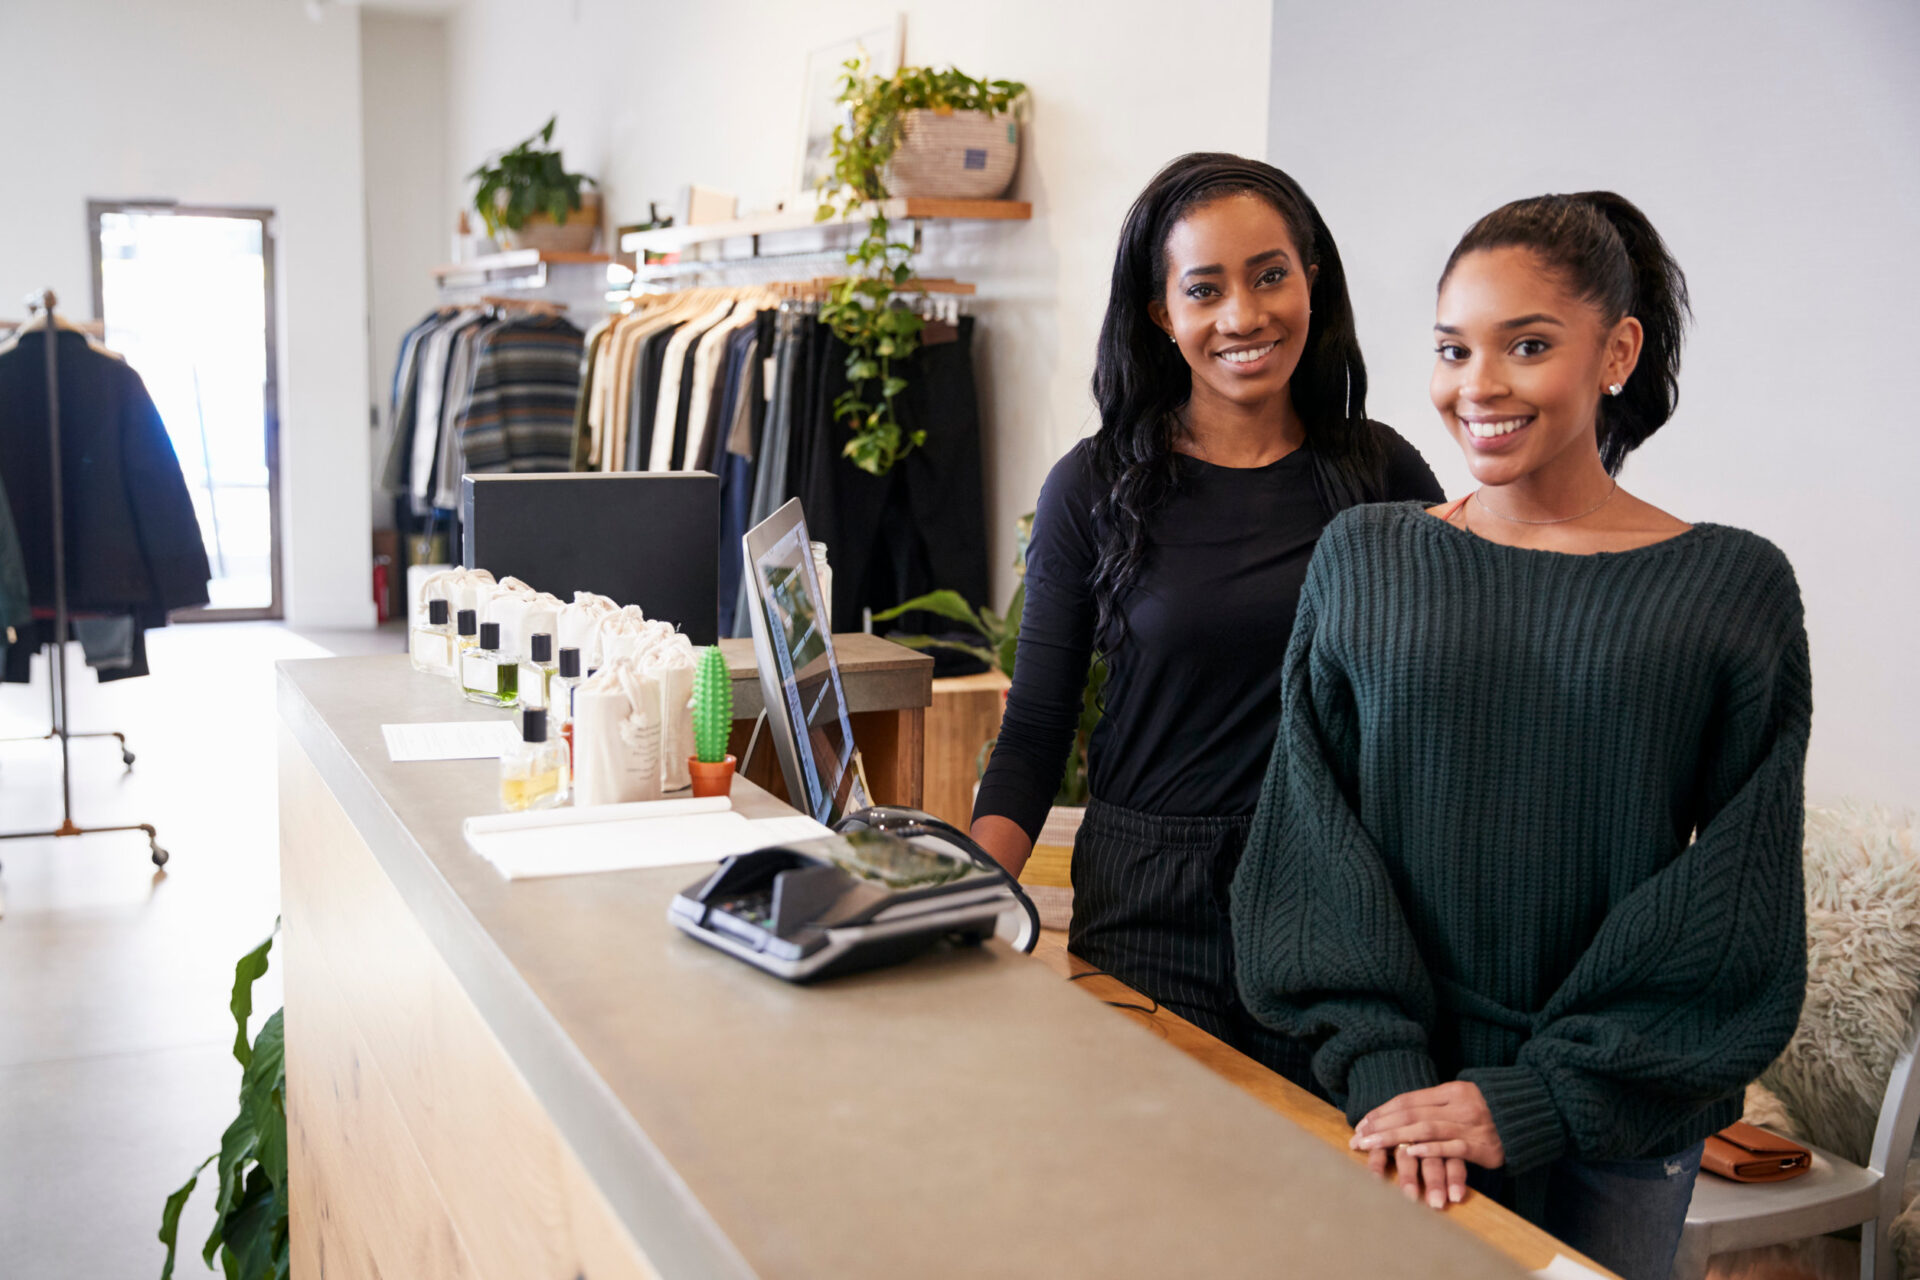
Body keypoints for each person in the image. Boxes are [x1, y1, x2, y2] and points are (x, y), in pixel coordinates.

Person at [1230, 191, 1810, 1279]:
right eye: (1453, 348)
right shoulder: (1366, 555)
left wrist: (1538, 1096)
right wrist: (1388, 1063)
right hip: (1390, 1091)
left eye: (1527, 345)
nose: (1477, 386)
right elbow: (1309, 834)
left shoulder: (1734, 586)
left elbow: (1740, 897)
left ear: (1618, 351)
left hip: (1616, 1114)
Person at [970, 153, 1444, 1083]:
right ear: (1163, 315)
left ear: (1312, 277)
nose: (1244, 316)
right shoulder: (1094, 486)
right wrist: (957, 900)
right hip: (1151, 905)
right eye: (1205, 289)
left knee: (1317, 1205)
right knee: (1159, 1197)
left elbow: (1451, 702)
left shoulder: (1383, 479)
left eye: (1271, 275)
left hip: (1330, 903)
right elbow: (1034, 733)